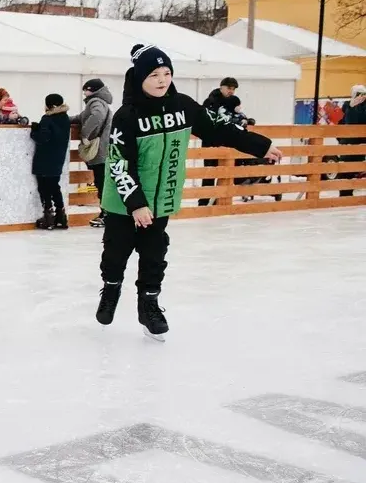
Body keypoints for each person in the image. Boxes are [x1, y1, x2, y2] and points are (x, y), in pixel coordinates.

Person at [96, 45, 282, 340]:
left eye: (167, 73)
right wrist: (135, 204)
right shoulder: (126, 116)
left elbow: (219, 129)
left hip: (161, 199)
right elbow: (119, 164)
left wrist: (260, 145)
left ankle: (149, 306)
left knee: (155, 254)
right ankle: (111, 289)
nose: (162, 80)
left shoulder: (183, 106)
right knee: (116, 252)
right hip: (124, 201)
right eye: (154, 74)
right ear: (140, 78)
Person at [74, 78, 113, 228]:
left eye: (86, 89)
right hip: (104, 150)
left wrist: (85, 134)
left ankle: (107, 214)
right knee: (102, 181)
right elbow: (82, 117)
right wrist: (64, 118)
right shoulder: (99, 102)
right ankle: (107, 212)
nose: (84, 92)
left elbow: (96, 116)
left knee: (102, 181)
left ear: (92, 90)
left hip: (101, 150)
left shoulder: (96, 101)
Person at [30, 93, 71, 230]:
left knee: (44, 187)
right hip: (58, 158)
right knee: (54, 186)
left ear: (50, 105)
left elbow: (43, 138)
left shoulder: (48, 119)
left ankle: (48, 216)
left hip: (45, 158)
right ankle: (61, 216)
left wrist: (34, 131)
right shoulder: (65, 118)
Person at [198, 77, 240, 205]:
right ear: (222, 87)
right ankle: (204, 201)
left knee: (225, 171)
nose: (231, 91)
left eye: (233, 89)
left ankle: (219, 200)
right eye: (229, 88)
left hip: (226, 142)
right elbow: (206, 119)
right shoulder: (211, 100)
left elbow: (237, 116)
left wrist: (242, 119)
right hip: (211, 142)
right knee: (210, 172)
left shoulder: (233, 102)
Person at [337, 84, 366, 197]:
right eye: (358, 94)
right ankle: (345, 198)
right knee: (345, 176)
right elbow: (346, 124)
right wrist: (351, 107)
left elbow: (359, 122)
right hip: (349, 148)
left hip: (361, 147)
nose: (361, 97)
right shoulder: (347, 106)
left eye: (363, 94)